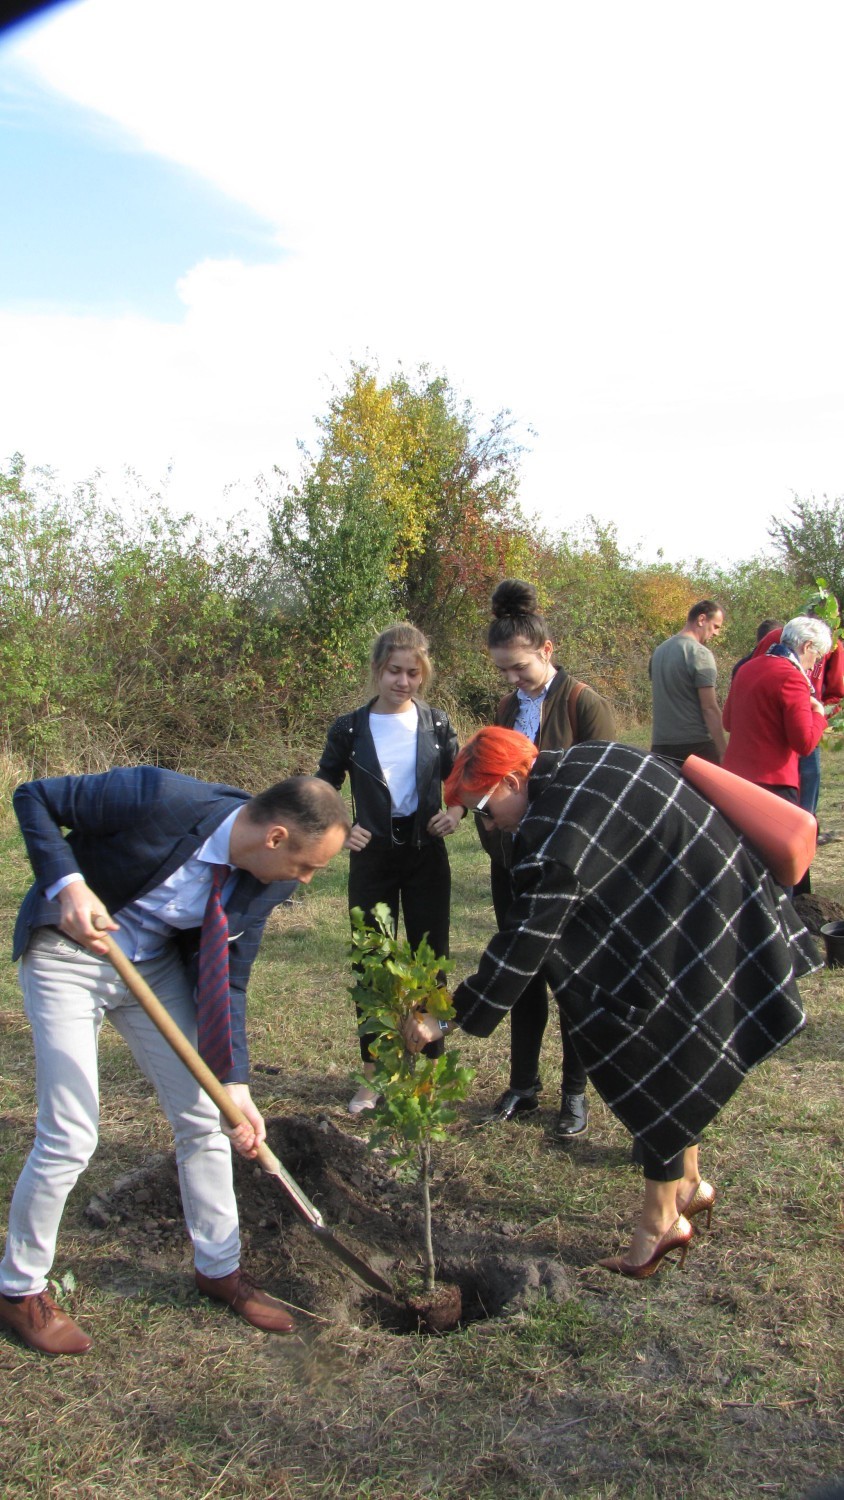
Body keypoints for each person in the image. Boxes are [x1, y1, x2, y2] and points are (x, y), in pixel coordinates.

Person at [404, 728, 817, 1277]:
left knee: (653, 1052)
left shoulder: (557, 832)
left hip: (705, 909)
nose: (487, 822)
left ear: (512, 778)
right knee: (676, 1038)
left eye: (485, 806)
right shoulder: (587, 760)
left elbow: (528, 936)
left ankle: (659, 1223)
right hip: (705, 896)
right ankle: (688, 1184)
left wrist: (447, 1012)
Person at [0, 768, 350, 1355]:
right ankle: (19, 1288)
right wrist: (67, 883)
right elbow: (33, 797)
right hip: (71, 951)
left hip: (151, 966)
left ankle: (220, 1269)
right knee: (70, 1134)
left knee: (211, 1118)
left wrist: (234, 1081)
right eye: (307, 865)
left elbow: (230, 978)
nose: (308, 879)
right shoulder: (160, 798)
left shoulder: (270, 882)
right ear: (275, 837)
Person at [477, 579, 616, 1137]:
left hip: (567, 865)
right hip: (512, 859)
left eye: (520, 668)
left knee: (570, 976)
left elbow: (608, 789)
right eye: (503, 670)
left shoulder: (584, 703)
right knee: (521, 968)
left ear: (547, 651)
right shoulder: (508, 706)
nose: (511, 679)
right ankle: (522, 1085)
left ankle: (575, 1095)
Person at [316, 623, 463, 1114]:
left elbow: (462, 780)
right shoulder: (350, 728)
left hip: (426, 857)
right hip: (373, 858)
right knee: (371, 963)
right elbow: (322, 787)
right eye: (395, 671)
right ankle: (373, 1077)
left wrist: (457, 811)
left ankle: (429, 1075)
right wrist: (340, 828)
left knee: (431, 962)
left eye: (413, 673)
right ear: (378, 670)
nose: (404, 681)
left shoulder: (438, 724)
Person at [722, 616, 831, 800]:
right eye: (817, 656)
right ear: (807, 646)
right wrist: (819, 714)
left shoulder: (746, 669)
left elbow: (727, 722)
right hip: (773, 783)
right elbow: (804, 743)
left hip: (736, 778)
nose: (813, 666)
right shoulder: (792, 677)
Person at [650, 600, 727, 766]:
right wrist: (723, 751)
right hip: (695, 746)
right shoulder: (700, 653)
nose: (716, 633)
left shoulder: (659, 651)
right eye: (716, 626)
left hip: (660, 747)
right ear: (701, 619)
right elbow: (709, 707)